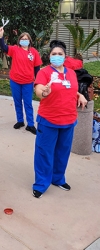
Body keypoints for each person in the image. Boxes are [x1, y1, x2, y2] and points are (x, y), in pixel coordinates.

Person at [32, 40, 87, 198]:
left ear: (65, 56)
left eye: (60, 54)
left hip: (68, 120)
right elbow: (38, 90)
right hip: (48, 120)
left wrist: (79, 95)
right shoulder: (44, 73)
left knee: (62, 153)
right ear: (49, 56)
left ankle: (58, 178)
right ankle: (41, 183)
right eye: (54, 54)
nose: (57, 56)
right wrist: (44, 92)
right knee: (44, 153)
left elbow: (69, 88)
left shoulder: (70, 73)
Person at [0, 27, 42, 134]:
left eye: (26, 39)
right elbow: (4, 47)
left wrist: (38, 82)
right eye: (22, 38)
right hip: (15, 81)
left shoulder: (34, 52)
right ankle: (20, 121)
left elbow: (37, 68)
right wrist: (1, 36)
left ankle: (30, 124)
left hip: (28, 82)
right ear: (19, 40)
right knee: (17, 102)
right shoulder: (15, 49)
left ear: (30, 41)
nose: (24, 40)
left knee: (28, 103)